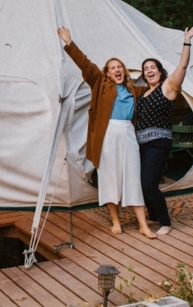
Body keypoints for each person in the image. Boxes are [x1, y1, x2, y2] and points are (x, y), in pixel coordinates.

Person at [57, 27, 156, 239]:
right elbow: (85, 65)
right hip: (107, 135)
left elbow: (159, 90)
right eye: (113, 68)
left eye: (120, 67)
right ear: (108, 73)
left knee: (132, 176)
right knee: (110, 177)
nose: (117, 70)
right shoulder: (100, 84)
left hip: (128, 134)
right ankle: (116, 220)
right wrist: (69, 43)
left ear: (124, 72)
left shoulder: (135, 91)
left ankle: (143, 225)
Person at [136, 26, 193, 237]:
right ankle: (153, 214)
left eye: (152, 67)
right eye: (145, 69)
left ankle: (165, 221)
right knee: (142, 183)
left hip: (158, 144)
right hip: (141, 144)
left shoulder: (167, 87)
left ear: (160, 71)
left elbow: (182, 66)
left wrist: (187, 41)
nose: (149, 70)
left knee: (149, 183)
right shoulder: (143, 93)